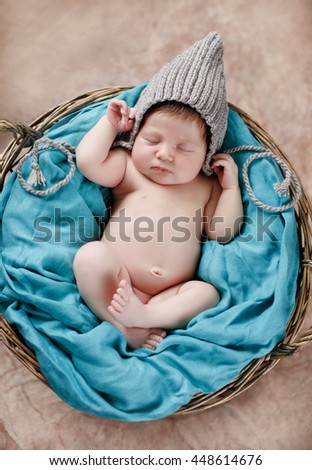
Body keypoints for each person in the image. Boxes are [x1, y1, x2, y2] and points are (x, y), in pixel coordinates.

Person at [73, 32, 244, 350]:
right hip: (118, 280)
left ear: (207, 155)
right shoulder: (129, 169)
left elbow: (222, 231)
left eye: (184, 148)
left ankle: (147, 316)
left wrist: (230, 188)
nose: (165, 154)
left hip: (169, 294)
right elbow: (87, 161)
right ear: (136, 135)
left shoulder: (204, 186)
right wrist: (110, 125)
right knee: (90, 256)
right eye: (152, 141)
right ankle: (121, 324)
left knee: (206, 294)